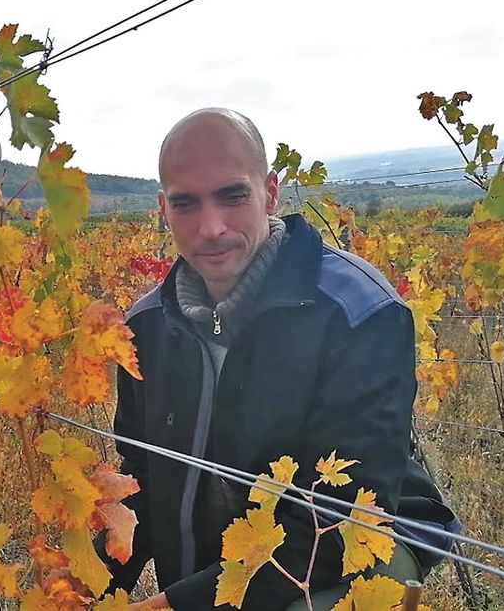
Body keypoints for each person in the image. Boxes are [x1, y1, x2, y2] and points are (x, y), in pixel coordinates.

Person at [100, 109, 458, 610]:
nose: (211, 227)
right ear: (163, 208)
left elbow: (341, 521)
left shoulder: (359, 312)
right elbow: (141, 475)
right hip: (217, 549)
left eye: (232, 195)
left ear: (270, 192)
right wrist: (86, 587)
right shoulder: (145, 327)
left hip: (347, 546)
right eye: (186, 203)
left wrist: (174, 606)